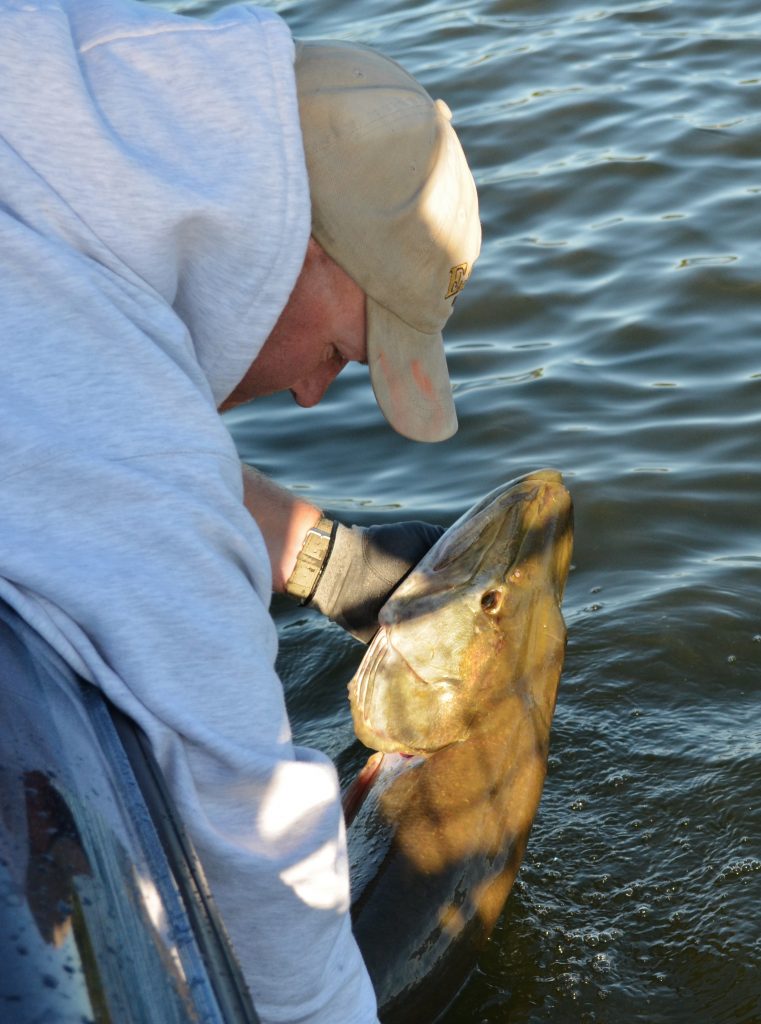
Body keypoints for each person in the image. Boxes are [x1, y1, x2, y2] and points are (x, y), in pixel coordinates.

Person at [0, 0, 481, 1021]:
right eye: (340, 352)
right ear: (297, 246)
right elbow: (264, 865)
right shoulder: (142, 461)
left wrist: (334, 564)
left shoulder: (48, 63)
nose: (309, 394)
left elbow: (87, 443)